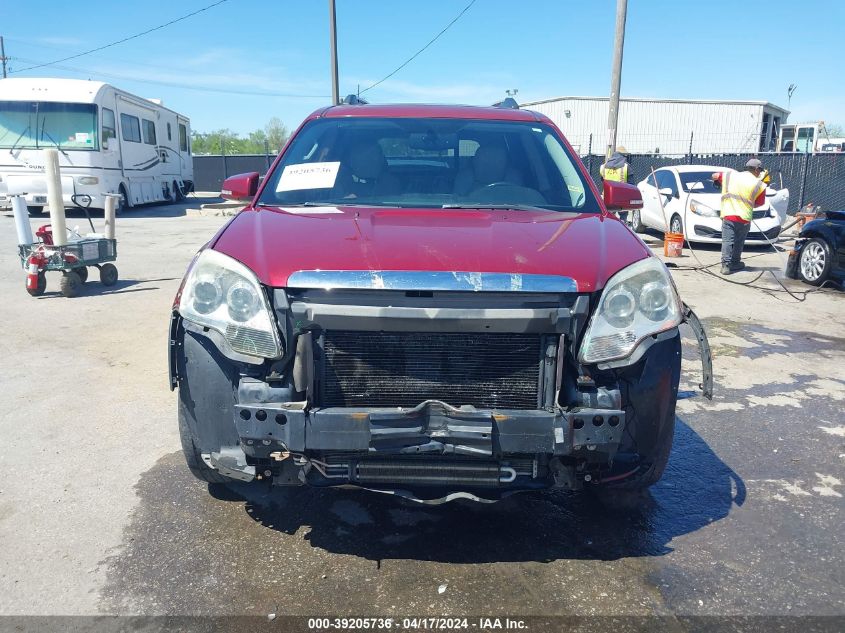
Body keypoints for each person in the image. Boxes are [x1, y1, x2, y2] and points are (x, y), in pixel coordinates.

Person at [712, 158, 767, 275]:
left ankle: (726, 266)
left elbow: (715, 175)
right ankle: (735, 262)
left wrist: (717, 181)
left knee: (727, 240)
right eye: (760, 170)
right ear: (756, 169)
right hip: (745, 217)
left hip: (729, 214)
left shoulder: (730, 175)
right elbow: (760, 203)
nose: (760, 173)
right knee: (739, 241)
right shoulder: (759, 184)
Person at [600, 146, 635, 222]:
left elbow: (602, 180)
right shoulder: (626, 167)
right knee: (623, 218)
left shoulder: (604, 166)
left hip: (608, 196)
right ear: (623, 155)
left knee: (608, 218)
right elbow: (631, 184)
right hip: (621, 197)